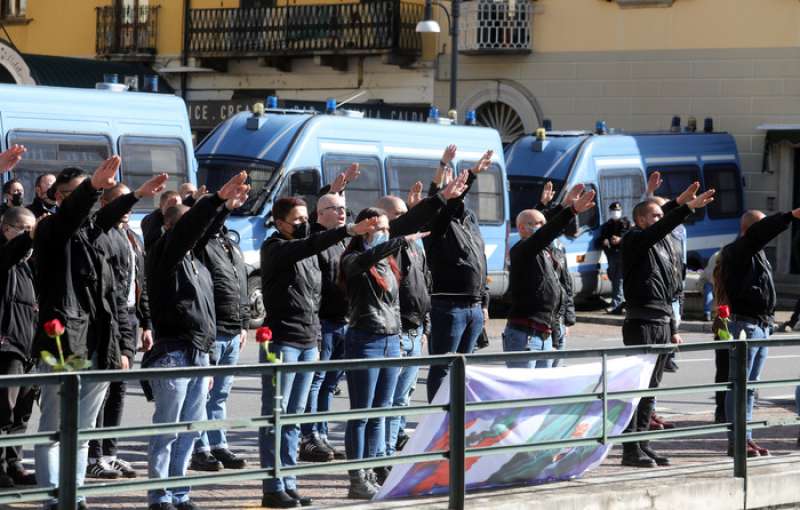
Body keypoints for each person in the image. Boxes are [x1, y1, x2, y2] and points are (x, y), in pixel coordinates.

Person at [259, 197, 379, 509]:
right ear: (280, 222)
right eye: (296, 220)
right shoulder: (275, 248)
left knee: (295, 418)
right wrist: (346, 229)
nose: (301, 225)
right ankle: (273, 485)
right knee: (277, 416)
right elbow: (307, 246)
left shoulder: (308, 249)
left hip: (308, 341)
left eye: (303, 219)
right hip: (281, 342)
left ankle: (289, 482)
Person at [144, 172, 249, 510]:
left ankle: (179, 492)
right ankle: (160, 495)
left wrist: (224, 208)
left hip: (200, 353)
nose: (200, 234)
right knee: (168, 430)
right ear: (173, 228)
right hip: (174, 352)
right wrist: (215, 200)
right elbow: (191, 230)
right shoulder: (166, 254)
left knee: (190, 429)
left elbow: (200, 232)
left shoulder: (195, 260)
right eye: (191, 228)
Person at [32, 157, 128, 510]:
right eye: (72, 195)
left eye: (88, 193)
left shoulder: (95, 235)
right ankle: (55, 497)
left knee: (84, 431)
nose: (84, 201)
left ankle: (75, 495)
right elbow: (72, 217)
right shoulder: (50, 230)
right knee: (54, 427)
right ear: (58, 198)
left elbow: (113, 299)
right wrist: (91, 189)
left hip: (97, 342)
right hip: (62, 343)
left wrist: (123, 345)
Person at [619, 182, 714, 469]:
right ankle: (629, 449)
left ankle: (643, 445)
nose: (660, 220)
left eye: (662, 215)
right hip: (642, 320)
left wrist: (673, 327)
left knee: (651, 389)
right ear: (640, 220)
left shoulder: (661, 243)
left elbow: (672, 287)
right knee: (638, 388)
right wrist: (684, 208)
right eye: (654, 216)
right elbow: (657, 228)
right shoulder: (633, 239)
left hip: (661, 319)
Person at [339, 208, 430, 499]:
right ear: (365, 229)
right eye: (381, 228)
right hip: (365, 338)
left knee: (382, 411)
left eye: (387, 229)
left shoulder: (389, 259)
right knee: (363, 413)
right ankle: (357, 477)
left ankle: (376, 468)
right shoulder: (352, 258)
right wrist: (399, 240)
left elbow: (398, 300)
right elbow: (365, 260)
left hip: (392, 338)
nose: (386, 233)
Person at [86, 182, 161, 480]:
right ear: (106, 204)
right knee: (102, 389)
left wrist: (145, 323)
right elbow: (111, 287)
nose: (127, 209)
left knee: (118, 389)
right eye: (121, 202)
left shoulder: (132, 238)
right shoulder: (102, 235)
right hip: (110, 318)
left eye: (130, 204)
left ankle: (110, 452)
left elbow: (139, 283)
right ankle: (93, 455)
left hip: (130, 316)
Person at [721, 208, 800, 458]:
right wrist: (789, 216)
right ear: (750, 230)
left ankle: (746, 437)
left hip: (760, 325)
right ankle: (737, 441)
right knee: (740, 386)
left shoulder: (756, 252)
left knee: (750, 387)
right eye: (763, 228)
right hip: (746, 325)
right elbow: (759, 234)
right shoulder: (739, 250)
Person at [299, 164, 361, 463]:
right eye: (335, 208)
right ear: (319, 214)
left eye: (344, 209)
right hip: (322, 321)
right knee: (315, 380)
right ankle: (309, 435)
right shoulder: (314, 238)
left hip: (343, 322)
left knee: (329, 383)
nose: (342, 213)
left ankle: (321, 432)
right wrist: (332, 190)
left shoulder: (343, 241)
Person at [425, 146, 493, 403]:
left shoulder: (470, 221)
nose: (459, 189)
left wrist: (484, 302)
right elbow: (438, 202)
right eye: (456, 184)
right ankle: (438, 423)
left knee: (465, 370)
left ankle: (458, 421)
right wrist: (469, 173)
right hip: (449, 306)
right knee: (443, 368)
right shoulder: (438, 223)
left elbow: (480, 262)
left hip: (473, 307)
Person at [189, 197, 250, 473]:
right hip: (213, 331)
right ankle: (199, 449)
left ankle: (218, 443)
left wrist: (244, 323)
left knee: (220, 395)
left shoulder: (231, 243)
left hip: (233, 331)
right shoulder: (200, 242)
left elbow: (242, 284)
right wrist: (222, 206)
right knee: (202, 393)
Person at [504, 185, 595, 369]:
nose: (539, 228)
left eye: (541, 224)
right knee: (523, 391)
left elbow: (563, 286)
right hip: (525, 334)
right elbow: (545, 234)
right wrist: (571, 211)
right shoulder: (522, 250)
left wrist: (563, 207)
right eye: (534, 224)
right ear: (521, 228)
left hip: (546, 332)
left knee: (543, 392)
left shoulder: (550, 252)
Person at [0, 206, 38, 489]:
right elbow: (10, 254)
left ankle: (15, 463)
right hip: (7, 345)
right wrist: (29, 238)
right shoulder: (5, 257)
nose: (29, 237)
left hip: (29, 348)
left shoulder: (28, 267)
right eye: (24, 230)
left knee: (21, 413)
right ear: (6, 229)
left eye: (32, 230)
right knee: (3, 410)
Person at [597, 201, 630, 314]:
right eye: (613, 211)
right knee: (612, 276)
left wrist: (620, 240)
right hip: (610, 254)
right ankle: (622, 302)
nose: (615, 213)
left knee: (619, 279)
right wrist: (605, 241)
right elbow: (601, 238)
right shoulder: (607, 225)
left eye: (617, 211)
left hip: (622, 254)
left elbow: (630, 237)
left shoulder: (626, 223)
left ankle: (616, 304)